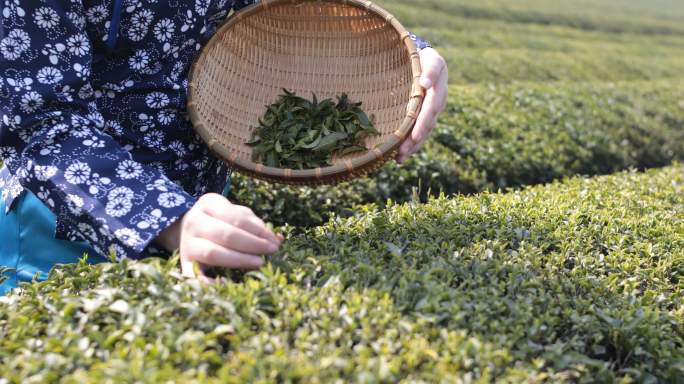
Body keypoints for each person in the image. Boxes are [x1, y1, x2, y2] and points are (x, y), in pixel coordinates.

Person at [0, 1, 448, 294]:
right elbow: (41, 122)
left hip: (207, 209)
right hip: (64, 222)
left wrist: (410, 53)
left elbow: (280, 10)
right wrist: (168, 217)